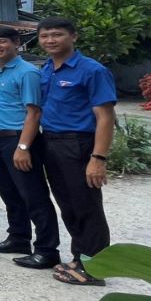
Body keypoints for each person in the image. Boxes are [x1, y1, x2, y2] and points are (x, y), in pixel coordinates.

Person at [37, 17, 117, 286]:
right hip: (51, 143)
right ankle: (80, 258)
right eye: (45, 36)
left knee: (86, 205)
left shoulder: (91, 70)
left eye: (57, 35)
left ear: (74, 37)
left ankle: (95, 268)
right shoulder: (47, 68)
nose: (50, 40)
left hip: (79, 144)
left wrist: (98, 158)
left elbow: (105, 117)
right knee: (68, 204)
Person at [0, 26, 61, 269]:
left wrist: (24, 146)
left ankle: (47, 250)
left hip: (18, 139)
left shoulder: (27, 72)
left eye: (1, 42)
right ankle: (18, 238)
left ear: (16, 43)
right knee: (10, 194)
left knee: (34, 195)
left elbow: (34, 112)